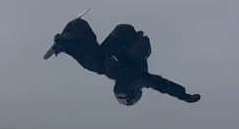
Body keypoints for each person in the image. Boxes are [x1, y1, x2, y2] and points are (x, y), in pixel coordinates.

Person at [43, 16, 201, 106]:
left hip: (120, 40)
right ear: (132, 94)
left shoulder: (120, 75)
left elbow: (162, 85)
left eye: (119, 99)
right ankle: (72, 35)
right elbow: (164, 85)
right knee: (95, 64)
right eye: (121, 98)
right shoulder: (138, 79)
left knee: (95, 64)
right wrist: (184, 95)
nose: (118, 96)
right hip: (125, 39)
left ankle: (71, 37)